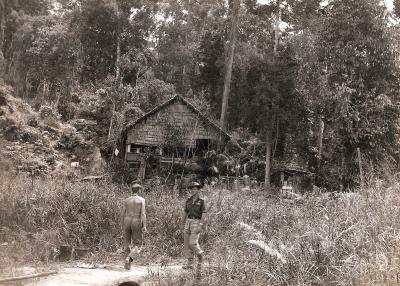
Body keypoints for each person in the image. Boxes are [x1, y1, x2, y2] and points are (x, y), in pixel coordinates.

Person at [121, 183, 147, 270]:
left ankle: (127, 265)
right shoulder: (141, 200)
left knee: (127, 242)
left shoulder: (126, 200)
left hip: (127, 220)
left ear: (131, 190)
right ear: (139, 190)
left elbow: (122, 214)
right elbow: (143, 213)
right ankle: (129, 258)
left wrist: (122, 224)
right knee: (138, 244)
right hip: (136, 221)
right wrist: (144, 225)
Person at [182, 181, 207, 270]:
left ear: (198, 190)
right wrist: (182, 222)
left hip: (196, 222)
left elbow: (204, 214)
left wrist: (201, 224)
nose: (193, 190)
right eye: (191, 189)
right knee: (186, 244)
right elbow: (185, 212)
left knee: (192, 243)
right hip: (188, 222)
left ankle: (200, 256)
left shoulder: (201, 201)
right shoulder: (188, 200)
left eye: (195, 189)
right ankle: (190, 264)